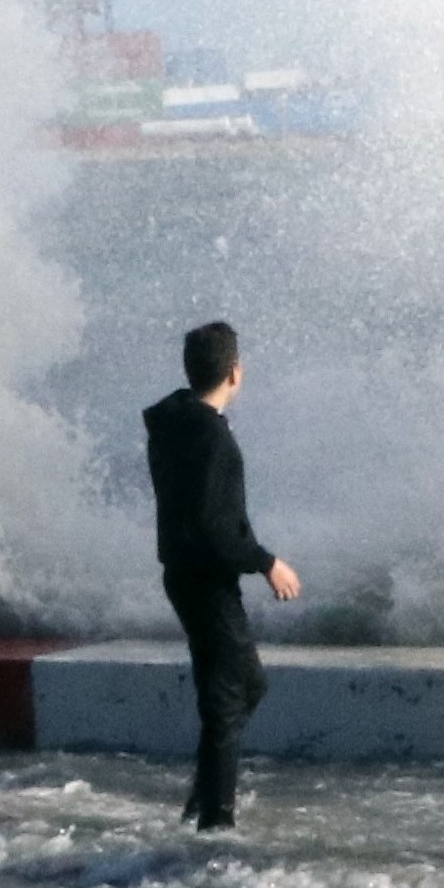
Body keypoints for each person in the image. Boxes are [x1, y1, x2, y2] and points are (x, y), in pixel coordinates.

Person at [143, 321, 301, 830]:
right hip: (206, 580)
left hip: (185, 575)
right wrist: (267, 562)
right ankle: (217, 820)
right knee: (238, 687)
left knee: (230, 689)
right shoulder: (212, 437)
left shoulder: (175, 423)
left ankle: (205, 798)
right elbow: (216, 526)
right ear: (236, 373)